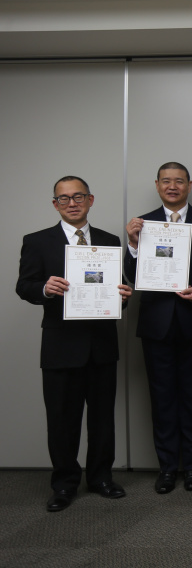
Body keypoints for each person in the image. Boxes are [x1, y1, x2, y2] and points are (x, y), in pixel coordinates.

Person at [16, 176, 132, 512]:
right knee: (62, 420)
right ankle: (64, 484)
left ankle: (101, 478)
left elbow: (116, 291)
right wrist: (44, 288)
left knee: (102, 419)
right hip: (60, 346)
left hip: (101, 345)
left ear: (90, 200)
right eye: (64, 198)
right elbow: (24, 286)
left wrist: (123, 296)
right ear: (55, 204)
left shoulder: (110, 242)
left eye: (78, 196)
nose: (72, 203)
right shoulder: (37, 241)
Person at [124, 162, 192, 494]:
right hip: (157, 323)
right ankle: (167, 468)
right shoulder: (142, 224)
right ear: (157, 185)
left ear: (189, 185)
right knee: (161, 398)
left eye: (179, 181)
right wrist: (133, 243)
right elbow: (132, 276)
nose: (172, 186)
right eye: (166, 181)